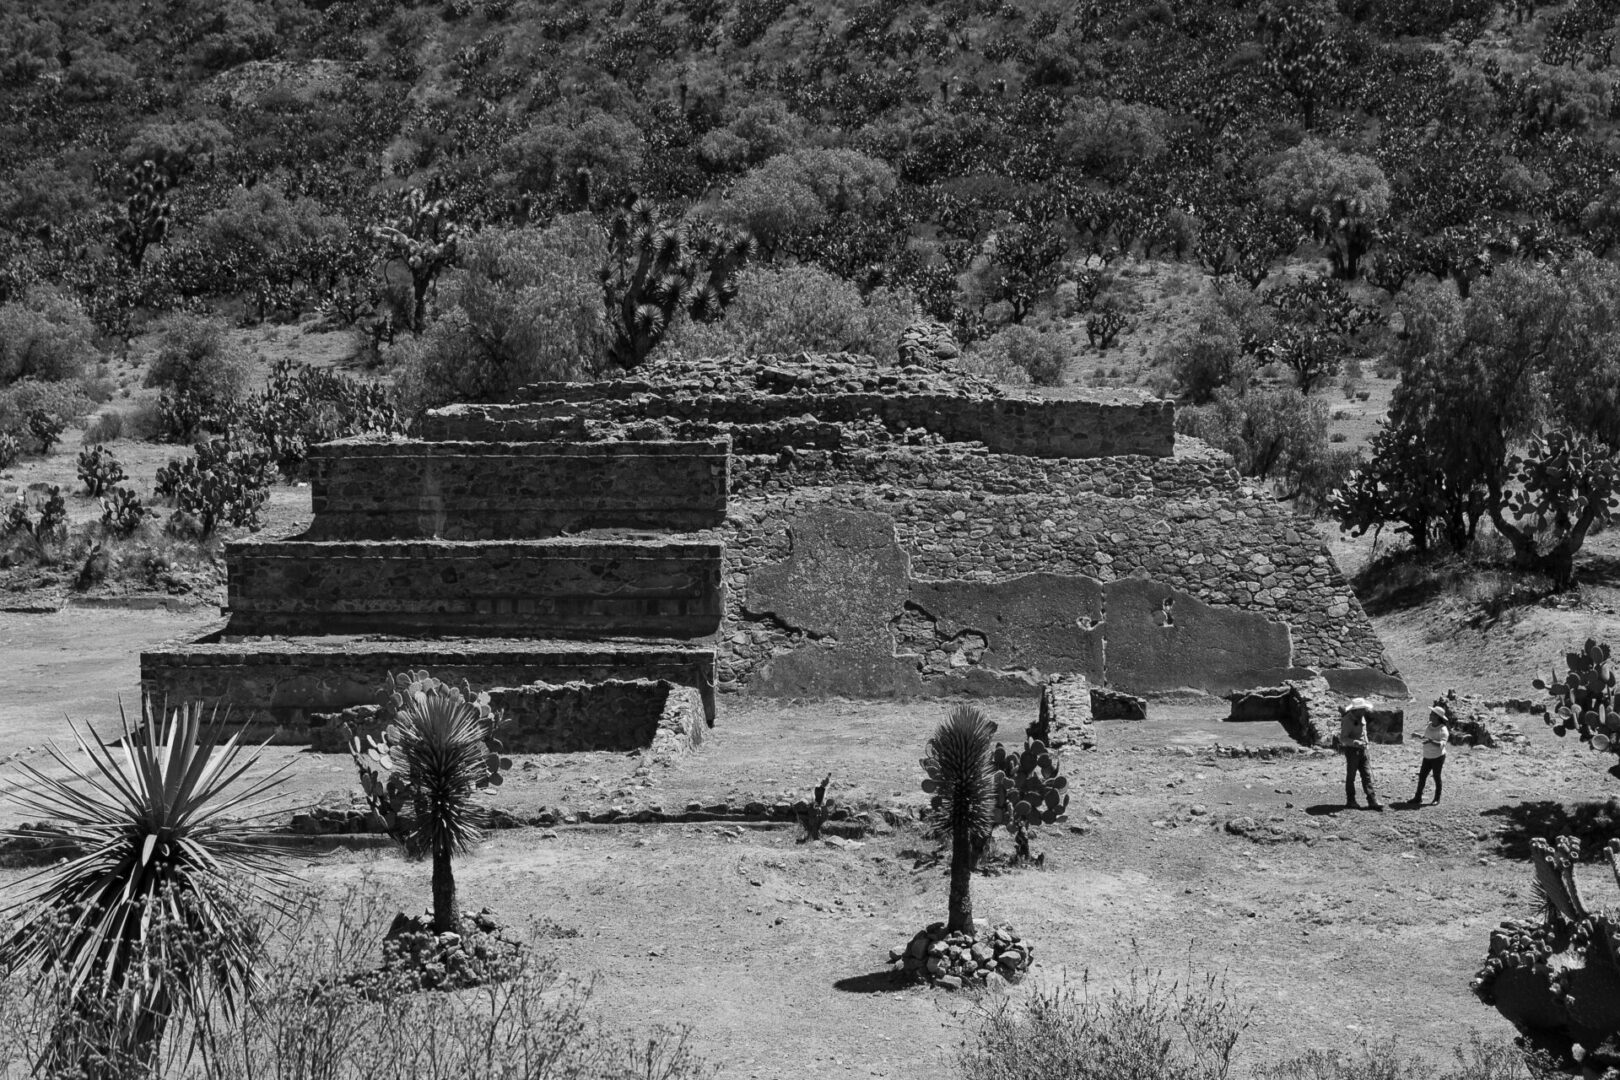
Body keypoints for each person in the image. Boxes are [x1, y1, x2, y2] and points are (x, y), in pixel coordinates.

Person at [1339, 698, 1383, 811]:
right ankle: (1351, 800)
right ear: (1356, 710)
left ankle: (1372, 800)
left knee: (1366, 775)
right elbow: (1343, 738)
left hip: (1362, 750)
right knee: (1351, 777)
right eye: (1362, 709)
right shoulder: (1347, 720)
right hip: (1352, 751)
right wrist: (1355, 742)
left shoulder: (1361, 717)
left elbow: (1364, 732)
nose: (1364, 711)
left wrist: (1366, 744)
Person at [1414, 705, 1449, 806]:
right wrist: (1419, 736)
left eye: (1432, 714)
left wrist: (1430, 741)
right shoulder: (1429, 725)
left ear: (1437, 717)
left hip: (1438, 757)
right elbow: (1427, 737)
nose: (1430, 715)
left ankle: (1437, 798)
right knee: (1422, 777)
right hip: (1427, 756)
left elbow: (1442, 744)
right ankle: (1418, 797)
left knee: (1436, 777)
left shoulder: (1443, 730)